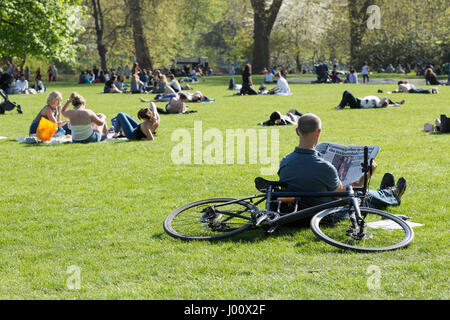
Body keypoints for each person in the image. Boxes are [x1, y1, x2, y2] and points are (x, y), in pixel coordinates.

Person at [277, 113, 407, 210]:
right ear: (318, 133)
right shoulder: (324, 167)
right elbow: (342, 196)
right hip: (325, 213)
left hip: (296, 210)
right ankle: (391, 194)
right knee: (361, 195)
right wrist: (365, 177)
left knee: (362, 193)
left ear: (297, 132)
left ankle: (387, 192)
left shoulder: (285, 162)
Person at [335, 90, 405, 110]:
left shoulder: (378, 104)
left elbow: (385, 98)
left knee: (348, 94)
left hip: (357, 104)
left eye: (384, 101)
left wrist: (388, 104)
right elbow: (387, 100)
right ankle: (343, 104)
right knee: (345, 92)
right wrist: (396, 104)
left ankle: (340, 106)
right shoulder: (379, 101)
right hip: (359, 100)